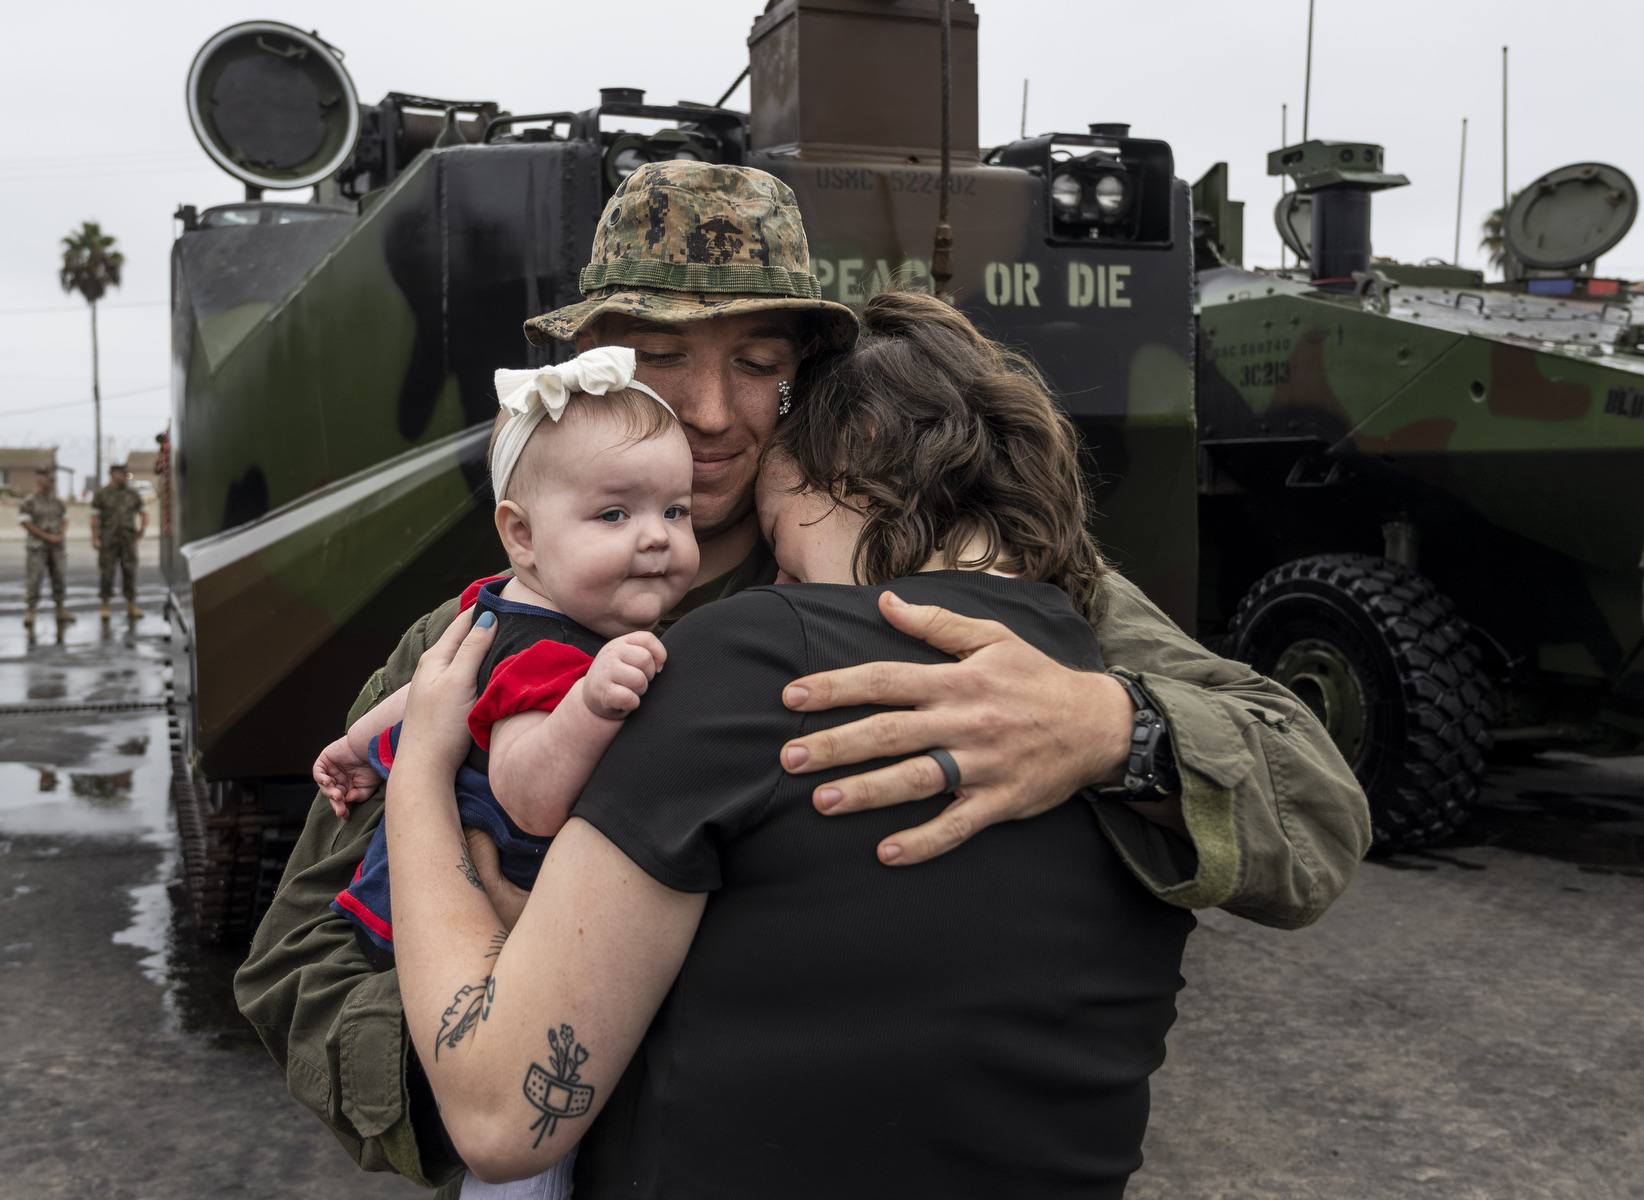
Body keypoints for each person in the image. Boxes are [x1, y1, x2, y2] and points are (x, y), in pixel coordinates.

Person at [234, 161, 1370, 1196]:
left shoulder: (970, 577)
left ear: (805, 384)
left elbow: (1312, 808)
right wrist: (549, 1028)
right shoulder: (486, 633)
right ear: (595, 374)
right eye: (665, 362)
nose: (716, 412)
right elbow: (297, 963)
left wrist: (1111, 725)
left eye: (758, 364)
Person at [386, 291, 1273, 1196]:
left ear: (856, 459)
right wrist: (1119, 728)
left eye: (776, 532)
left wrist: (417, 770)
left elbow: (501, 1114)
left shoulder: (744, 658)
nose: (773, 572)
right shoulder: (1130, 710)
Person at [315, 350, 696, 972]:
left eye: (675, 511)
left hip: (417, 913)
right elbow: (527, 796)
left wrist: (357, 744)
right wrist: (590, 704)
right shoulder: (554, 657)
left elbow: (435, 688)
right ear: (522, 536)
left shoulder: (494, 612)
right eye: (614, 514)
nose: (657, 536)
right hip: (461, 935)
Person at [19, 467, 74, 631]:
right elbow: (25, 522)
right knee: (34, 580)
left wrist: (61, 534)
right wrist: (45, 536)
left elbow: (65, 519)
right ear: (39, 481)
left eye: (53, 480)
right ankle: (31, 611)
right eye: (49, 480)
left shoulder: (57, 502)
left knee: (59, 578)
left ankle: (60, 610)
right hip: (37, 547)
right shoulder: (30, 501)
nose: (52, 483)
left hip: (57, 547)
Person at [89, 461, 145, 620]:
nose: (126, 477)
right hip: (108, 539)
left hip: (127, 539)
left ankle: (131, 605)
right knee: (107, 572)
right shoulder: (102, 494)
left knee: (130, 571)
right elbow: (94, 517)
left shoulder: (132, 494)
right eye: (123, 474)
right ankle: (105, 605)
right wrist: (94, 537)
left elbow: (144, 512)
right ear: (114, 475)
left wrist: (141, 531)